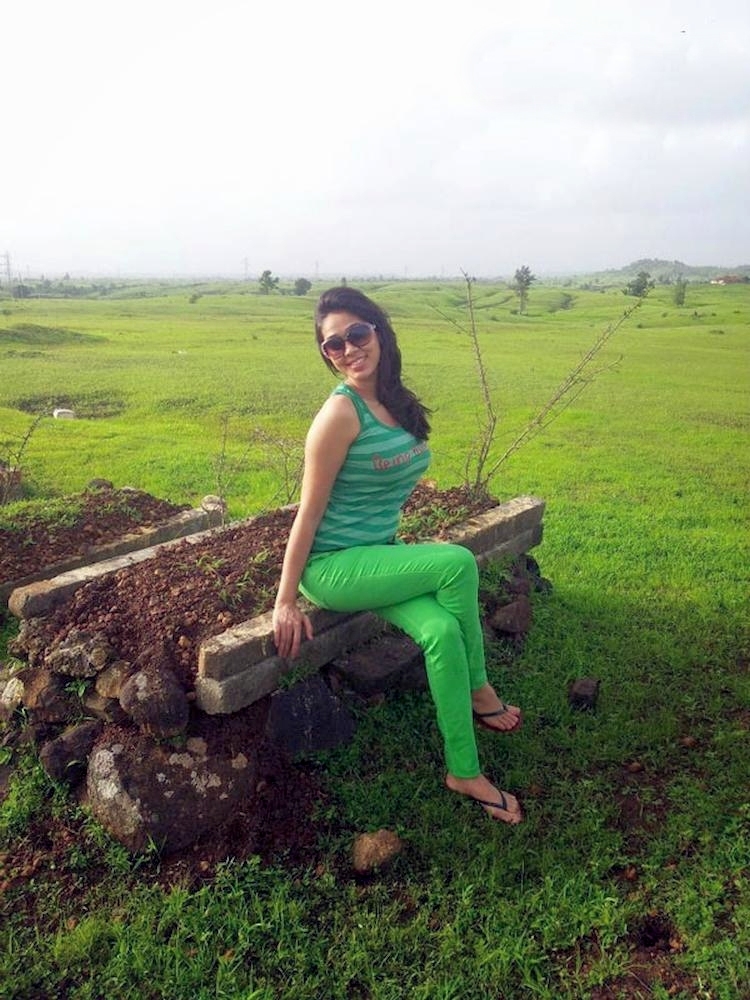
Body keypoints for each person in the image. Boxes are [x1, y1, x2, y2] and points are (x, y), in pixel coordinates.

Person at [272, 286, 523, 825]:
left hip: (379, 555)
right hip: (333, 567)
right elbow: (307, 515)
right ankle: (480, 690)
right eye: (333, 344)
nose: (348, 349)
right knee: (456, 563)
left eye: (356, 334)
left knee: (442, 632)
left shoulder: (393, 399)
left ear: (379, 332)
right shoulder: (339, 415)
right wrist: (285, 601)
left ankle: (464, 770)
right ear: (326, 355)